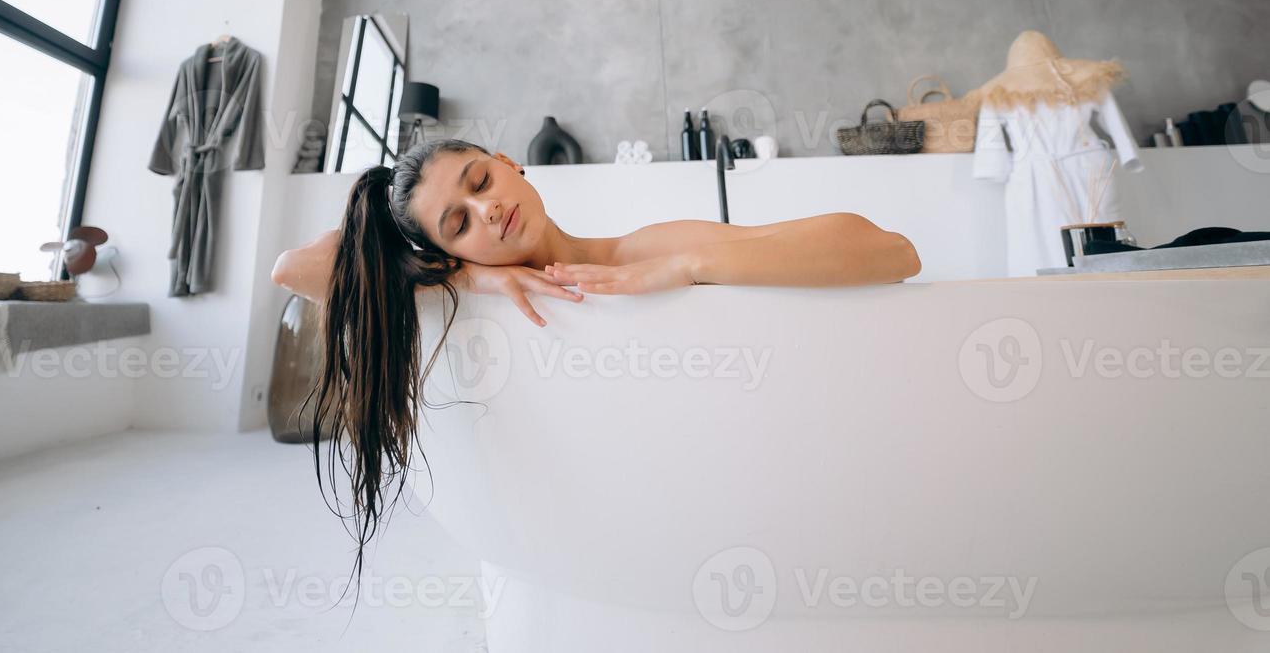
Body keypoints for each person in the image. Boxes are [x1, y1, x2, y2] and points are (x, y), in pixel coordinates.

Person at [270, 138, 919, 588]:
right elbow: (291, 269)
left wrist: (684, 267)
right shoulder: (454, 295)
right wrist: (472, 279)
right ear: (439, 254)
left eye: (480, 183)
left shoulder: (637, 249)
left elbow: (889, 251)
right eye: (458, 223)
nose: (487, 208)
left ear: (508, 165)